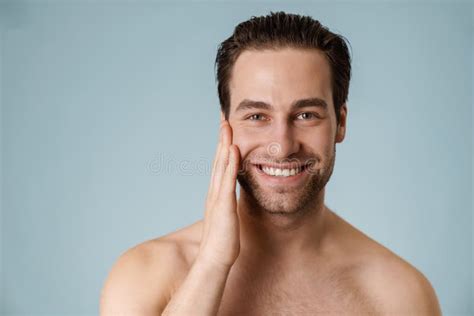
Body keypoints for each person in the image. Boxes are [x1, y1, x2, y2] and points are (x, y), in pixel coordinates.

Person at [100, 11, 442, 315]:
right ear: (226, 126)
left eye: (306, 114)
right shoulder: (143, 276)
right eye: (257, 116)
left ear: (341, 122)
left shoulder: (401, 296)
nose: (282, 146)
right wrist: (212, 264)